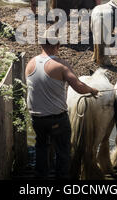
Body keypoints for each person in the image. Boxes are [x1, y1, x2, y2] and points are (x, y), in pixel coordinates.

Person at [26, 31, 99, 179]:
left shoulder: (30, 63)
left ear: (41, 44)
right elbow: (78, 86)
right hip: (56, 119)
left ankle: (41, 178)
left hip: (36, 118)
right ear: (58, 45)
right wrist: (92, 90)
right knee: (63, 151)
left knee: (41, 147)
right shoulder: (60, 65)